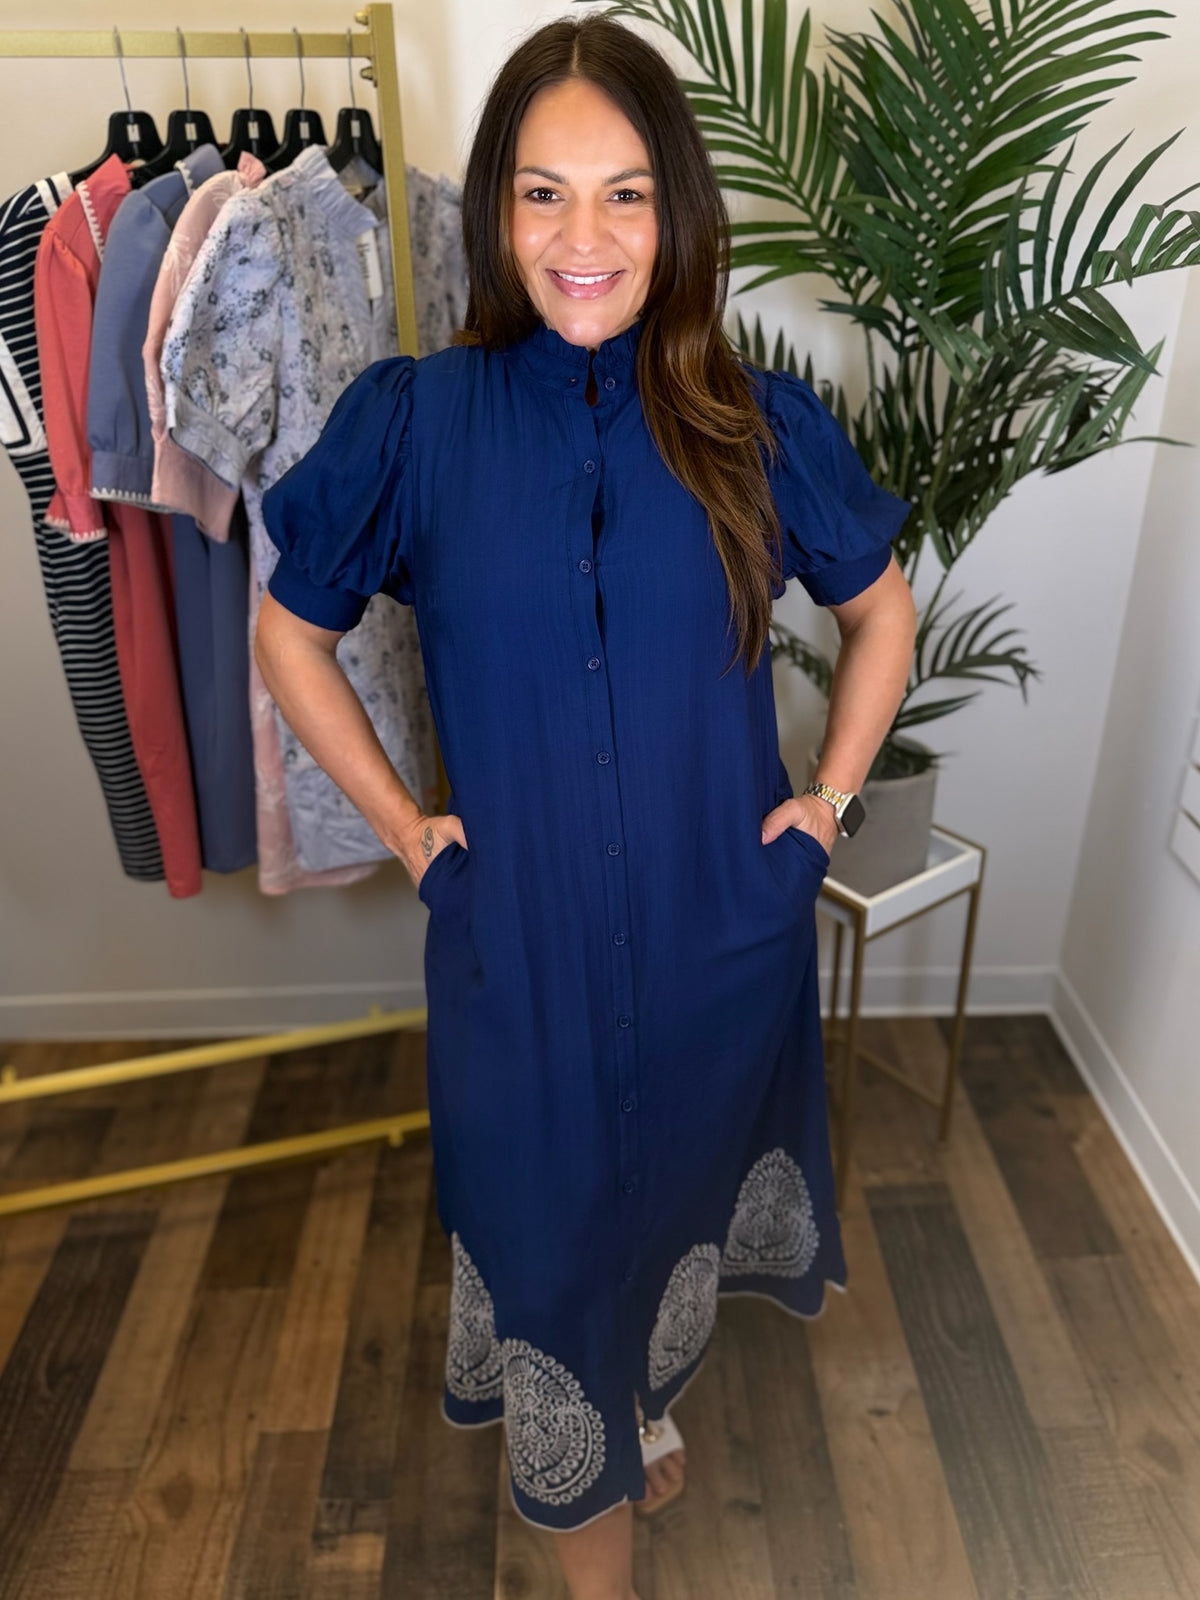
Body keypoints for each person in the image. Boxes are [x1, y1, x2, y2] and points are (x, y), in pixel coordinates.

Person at [255, 13, 917, 1599]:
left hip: (718, 938)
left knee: (671, 1222)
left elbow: (881, 612)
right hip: (521, 960)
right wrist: (414, 831)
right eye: (543, 193)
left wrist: (824, 806)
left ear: (677, 213)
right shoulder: (414, 421)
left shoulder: (756, 424)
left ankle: (640, 1392)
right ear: (494, 211)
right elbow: (293, 628)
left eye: (625, 194)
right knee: (551, 1257)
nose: (583, 237)